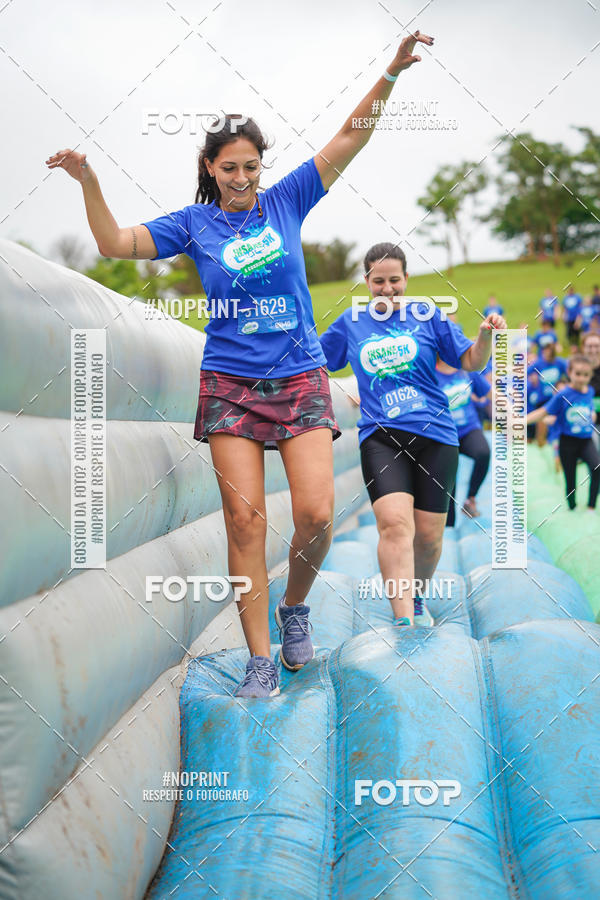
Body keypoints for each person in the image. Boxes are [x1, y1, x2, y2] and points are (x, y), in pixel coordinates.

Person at [46, 31, 436, 698]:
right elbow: (113, 242)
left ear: (262, 166)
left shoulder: (287, 200)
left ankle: (294, 608)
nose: (242, 178)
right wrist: (89, 181)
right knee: (245, 521)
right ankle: (259, 658)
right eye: (230, 168)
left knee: (315, 515)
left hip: (300, 375)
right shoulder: (192, 224)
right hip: (229, 383)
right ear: (210, 167)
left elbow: (352, 136)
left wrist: (392, 74)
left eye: (252, 166)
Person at [319, 243, 506, 628]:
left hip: (436, 436)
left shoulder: (429, 316)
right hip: (381, 437)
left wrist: (485, 336)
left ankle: (417, 595)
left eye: (395, 280)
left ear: (406, 278)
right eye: (378, 281)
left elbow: (471, 360)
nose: (387, 289)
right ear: (366, 281)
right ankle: (403, 619)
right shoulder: (350, 322)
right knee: (394, 525)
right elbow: (316, 361)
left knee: (429, 538)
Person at [526, 355, 599, 511]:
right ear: (569, 372)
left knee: (596, 467)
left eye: (586, 375)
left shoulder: (590, 391)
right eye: (578, 374)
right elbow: (543, 412)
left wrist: (592, 414)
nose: (581, 378)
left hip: (586, 440)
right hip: (568, 442)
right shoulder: (563, 395)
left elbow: (589, 407)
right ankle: (572, 506)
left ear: (590, 376)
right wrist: (522, 421)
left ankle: (591, 506)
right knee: (570, 479)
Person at [434, 360, 491, 522]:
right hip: (444, 434)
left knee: (483, 453)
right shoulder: (430, 372)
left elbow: (489, 392)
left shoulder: (467, 370)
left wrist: (511, 411)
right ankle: (448, 520)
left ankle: (470, 499)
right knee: (449, 479)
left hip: (468, 428)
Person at [582, 332, 600, 451]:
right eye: (589, 346)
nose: (593, 350)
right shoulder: (577, 370)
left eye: (596, 346)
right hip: (585, 425)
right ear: (583, 348)